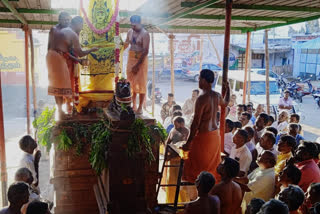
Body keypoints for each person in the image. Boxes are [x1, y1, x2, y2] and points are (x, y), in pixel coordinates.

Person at [182, 69, 230, 183]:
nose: (198, 81)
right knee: (210, 167)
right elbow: (226, 103)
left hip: (204, 137)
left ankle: (201, 193)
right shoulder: (217, 95)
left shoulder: (202, 98)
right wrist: (228, 88)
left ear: (204, 80)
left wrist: (188, 142)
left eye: (199, 79)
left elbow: (195, 123)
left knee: (196, 167)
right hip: (214, 136)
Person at [47, 15, 98, 118]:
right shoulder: (72, 33)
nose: (82, 28)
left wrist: (77, 60)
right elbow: (80, 53)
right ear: (78, 24)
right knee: (61, 87)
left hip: (50, 56)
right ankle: (61, 112)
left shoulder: (60, 30)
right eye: (82, 25)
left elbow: (61, 50)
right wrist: (92, 50)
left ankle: (61, 111)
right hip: (58, 58)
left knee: (57, 87)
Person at [124, 15, 150, 114]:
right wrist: (119, 48)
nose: (133, 27)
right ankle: (133, 104)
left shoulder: (145, 34)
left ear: (140, 23)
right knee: (131, 82)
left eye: (135, 25)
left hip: (141, 60)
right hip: (131, 58)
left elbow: (146, 51)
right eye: (131, 25)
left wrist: (137, 65)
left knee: (141, 83)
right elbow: (126, 43)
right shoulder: (130, 31)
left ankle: (140, 107)